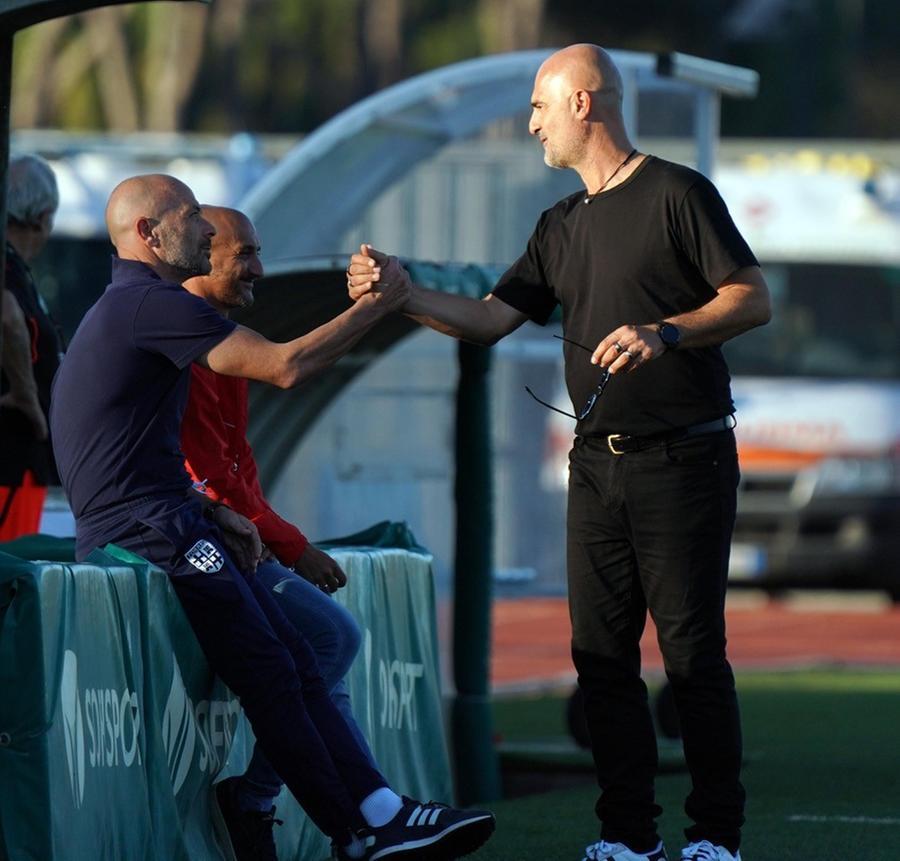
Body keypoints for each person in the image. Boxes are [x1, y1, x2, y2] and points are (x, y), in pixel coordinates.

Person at [347, 44, 771, 861]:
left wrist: (667, 331)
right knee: (600, 658)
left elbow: (752, 296)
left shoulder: (679, 192)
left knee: (691, 654)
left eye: (541, 106)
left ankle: (715, 838)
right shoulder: (560, 223)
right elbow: (487, 319)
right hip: (596, 462)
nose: (532, 122)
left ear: (584, 103)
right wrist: (401, 295)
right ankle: (626, 837)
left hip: (686, 459)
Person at [49, 174, 495, 861]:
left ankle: (379, 811)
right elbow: (287, 366)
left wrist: (208, 510)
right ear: (148, 234)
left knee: (298, 652)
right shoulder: (150, 302)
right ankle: (358, 829)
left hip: (171, 522)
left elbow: (124, 452)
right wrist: (380, 305)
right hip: (147, 536)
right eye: (192, 216)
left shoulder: (142, 304)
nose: (206, 229)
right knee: (274, 665)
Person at [180, 205, 378, 860]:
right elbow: (209, 478)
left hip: (229, 538)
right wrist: (293, 546)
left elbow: (239, 472)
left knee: (325, 658)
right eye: (246, 255)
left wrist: (279, 539)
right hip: (189, 547)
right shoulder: (178, 337)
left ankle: (356, 818)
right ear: (201, 253)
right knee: (332, 638)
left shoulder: (223, 337)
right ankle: (338, 811)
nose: (260, 269)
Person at [1, 154, 63, 540]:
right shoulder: (7, 268)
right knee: (10, 561)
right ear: (43, 217)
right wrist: (28, 398)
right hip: (13, 445)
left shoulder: (15, 268)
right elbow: (7, 316)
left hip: (19, 448)